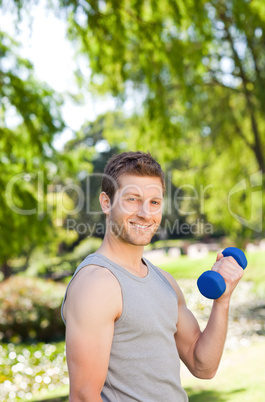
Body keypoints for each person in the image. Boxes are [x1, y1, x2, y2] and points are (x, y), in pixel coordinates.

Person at [61, 151, 244, 402]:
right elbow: (83, 397)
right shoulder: (97, 283)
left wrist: (222, 300)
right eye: (133, 199)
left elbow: (203, 365)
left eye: (154, 202)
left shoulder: (164, 281)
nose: (146, 213)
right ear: (106, 202)